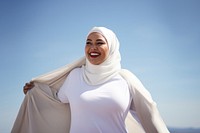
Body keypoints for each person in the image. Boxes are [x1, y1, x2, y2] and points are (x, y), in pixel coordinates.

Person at [12, 27, 169, 133]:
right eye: (88, 43)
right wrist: (35, 91)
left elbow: (150, 114)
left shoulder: (125, 79)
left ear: (112, 48)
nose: (92, 47)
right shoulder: (74, 76)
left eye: (99, 42)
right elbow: (53, 100)